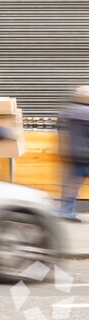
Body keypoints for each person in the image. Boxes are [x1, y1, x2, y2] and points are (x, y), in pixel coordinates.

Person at [60, 85, 89, 221]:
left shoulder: (68, 112)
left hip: (73, 155)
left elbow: (61, 129)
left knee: (70, 187)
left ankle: (67, 212)